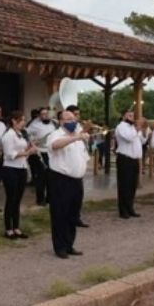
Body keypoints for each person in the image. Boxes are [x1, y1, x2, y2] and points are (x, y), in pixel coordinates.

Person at [47, 111, 89, 259]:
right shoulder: (56, 134)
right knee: (60, 214)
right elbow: (55, 145)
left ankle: (69, 244)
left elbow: (84, 156)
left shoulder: (78, 137)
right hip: (61, 179)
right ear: (60, 121)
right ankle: (60, 247)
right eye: (68, 119)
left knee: (73, 214)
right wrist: (75, 137)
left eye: (73, 118)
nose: (72, 121)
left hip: (76, 180)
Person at [0, 111, 37, 239]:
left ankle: (16, 227)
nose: (24, 123)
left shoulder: (21, 134)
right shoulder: (8, 135)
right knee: (11, 198)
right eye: (22, 120)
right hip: (10, 169)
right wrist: (27, 153)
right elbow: (10, 154)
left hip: (22, 168)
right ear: (14, 121)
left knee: (18, 199)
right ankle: (8, 229)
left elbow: (22, 150)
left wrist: (30, 149)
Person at [115, 110, 145, 219]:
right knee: (124, 185)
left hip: (134, 159)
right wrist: (137, 128)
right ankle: (123, 210)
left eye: (133, 115)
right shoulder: (121, 127)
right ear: (123, 116)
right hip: (125, 159)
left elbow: (142, 140)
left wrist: (143, 130)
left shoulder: (133, 127)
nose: (132, 117)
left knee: (132, 185)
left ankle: (130, 207)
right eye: (129, 115)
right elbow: (129, 138)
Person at [26, 107, 56, 206]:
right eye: (43, 114)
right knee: (41, 177)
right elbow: (25, 134)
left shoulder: (54, 124)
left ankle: (50, 198)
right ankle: (40, 199)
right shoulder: (34, 124)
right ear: (39, 116)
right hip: (40, 153)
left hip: (51, 153)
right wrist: (32, 143)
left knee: (51, 177)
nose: (45, 115)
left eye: (47, 113)